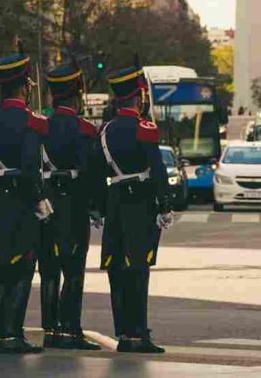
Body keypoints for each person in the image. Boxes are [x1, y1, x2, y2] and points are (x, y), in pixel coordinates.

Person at [0, 51, 50, 354]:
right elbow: (31, 166)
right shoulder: (31, 123)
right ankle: (11, 333)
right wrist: (39, 200)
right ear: (25, 87)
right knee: (22, 267)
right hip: (20, 201)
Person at [94, 65, 173, 353]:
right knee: (138, 269)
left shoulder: (104, 131)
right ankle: (139, 333)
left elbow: (95, 173)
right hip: (139, 203)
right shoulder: (145, 129)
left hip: (115, 203)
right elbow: (158, 171)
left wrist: (99, 208)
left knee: (117, 270)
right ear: (139, 97)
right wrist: (164, 205)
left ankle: (124, 333)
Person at [39, 62, 101, 351]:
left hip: (47, 202)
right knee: (73, 269)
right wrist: (96, 206)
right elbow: (91, 173)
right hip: (74, 204)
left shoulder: (40, 126)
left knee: (49, 270)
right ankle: (70, 330)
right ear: (77, 95)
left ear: (53, 96)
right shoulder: (85, 129)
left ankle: (50, 330)